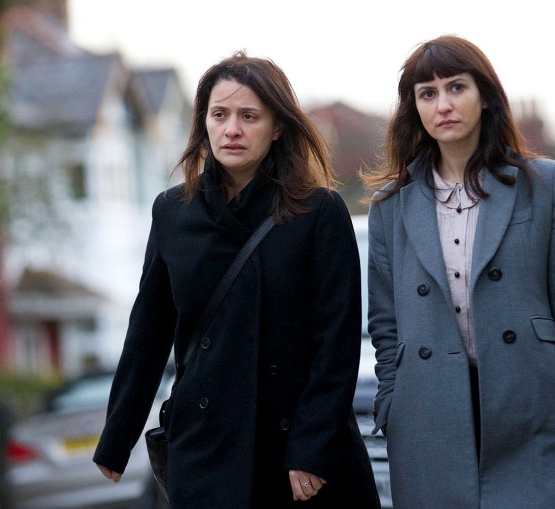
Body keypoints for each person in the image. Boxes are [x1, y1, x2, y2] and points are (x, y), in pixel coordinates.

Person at [93, 51, 380, 509]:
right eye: (220, 114)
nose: (232, 130)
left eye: (249, 116)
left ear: (278, 126)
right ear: (203, 122)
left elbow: (337, 343)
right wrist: (117, 437)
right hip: (207, 446)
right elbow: (148, 332)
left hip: (297, 459)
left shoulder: (318, 212)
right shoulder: (173, 212)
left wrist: (312, 448)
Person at [361, 35, 555, 508]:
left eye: (456, 87)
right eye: (428, 93)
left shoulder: (542, 183)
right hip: (429, 420)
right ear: (414, 109)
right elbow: (385, 323)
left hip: (534, 414)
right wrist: (393, 403)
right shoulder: (391, 206)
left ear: (485, 96)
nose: (443, 104)